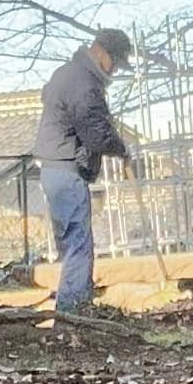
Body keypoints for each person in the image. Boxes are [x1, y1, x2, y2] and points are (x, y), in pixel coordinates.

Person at [32, 29, 134, 312]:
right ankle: (74, 312)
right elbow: (96, 133)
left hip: (54, 169)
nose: (114, 70)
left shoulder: (67, 74)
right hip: (66, 170)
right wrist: (122, 149)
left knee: (72, 244)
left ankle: (73, 309)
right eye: (115, 62)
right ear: (101, 52)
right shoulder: (83, 84)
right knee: (78, 245)